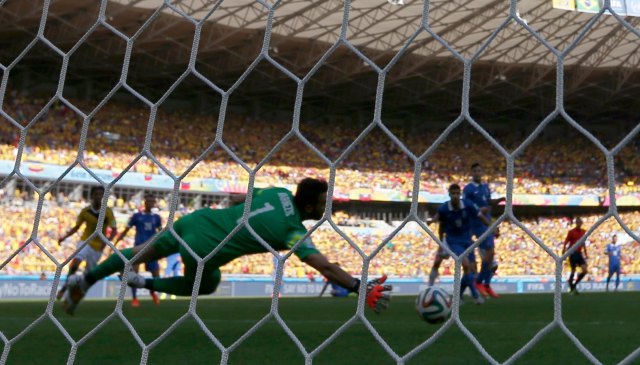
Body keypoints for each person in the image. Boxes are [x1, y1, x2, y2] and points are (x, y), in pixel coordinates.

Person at [62, 178, 392, 315]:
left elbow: (243, 197)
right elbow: (326, 267)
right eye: (323, 202)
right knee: (206, 284)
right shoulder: (293, 232)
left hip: (198, 220)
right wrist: (357, 287)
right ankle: (143, 282)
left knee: (137, 253)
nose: (326, 207)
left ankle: (85, 282)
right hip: (205, 247)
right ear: (309, 208)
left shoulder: (276, 191)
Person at [432, 184, 493, 305]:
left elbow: (481, 216)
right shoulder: (444, 209)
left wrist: (492, 227)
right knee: (465, 265)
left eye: (457, 193)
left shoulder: (467, 204)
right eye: (453, 194)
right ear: (449, 194)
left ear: (460, 194)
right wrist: (440, 243)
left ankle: (458, 297)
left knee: (471, 269)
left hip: (467, 241)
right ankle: (476, 296)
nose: (455, 196)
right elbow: (441, 227)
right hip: (454, 241)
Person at [56, 186, 117, 300]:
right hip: (85, 241)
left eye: (101, 194)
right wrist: (64, 237)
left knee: (88, 274)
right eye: (96, 194)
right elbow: (77, 227)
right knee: (75, 263)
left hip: (98, 246)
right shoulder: (85, 211)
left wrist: (105, 244)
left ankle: (75, 293)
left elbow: (114, 231)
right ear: (92, 196)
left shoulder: (108, 212)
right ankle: (64, 288)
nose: (99, 197)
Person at [463, 163, 505, 299]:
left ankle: (485, 284)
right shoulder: (468, 189)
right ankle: (479, 282)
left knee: (491, 254)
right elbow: (466, 206)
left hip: (487, 223)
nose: (477, 173)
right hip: (477, 224)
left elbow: (487, 203)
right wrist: (479, 210)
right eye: (475, 170)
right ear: (471, 173)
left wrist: (499, 200)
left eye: (479, 170)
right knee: (489, 253)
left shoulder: (485, 187)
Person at [114, 194, 163, 307]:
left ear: (154, 203)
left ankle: (153, 293)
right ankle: (135, 298)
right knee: (134, 274)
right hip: (138, 249)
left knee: (156, 274)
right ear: (144, 202)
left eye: (152, 201)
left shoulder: (157, 217)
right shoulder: (136, 216)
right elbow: (126, 230)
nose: (150, 203)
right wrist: (116, 242)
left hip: (151, 249)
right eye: (148, 201)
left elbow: (161, 233)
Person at [562, 217, 588, 295]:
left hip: (579, 253)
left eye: (580, 223)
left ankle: (574, 285)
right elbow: (566, 241)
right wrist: (564, 250)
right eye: (578, 223)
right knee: (573, 270)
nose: (579, 224)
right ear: (576, 223)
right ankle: (572, 287)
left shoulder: (583, 232)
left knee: (585, 270)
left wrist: (586, 253)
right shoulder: (571, 232)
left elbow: (583, 243)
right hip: (572, 253)